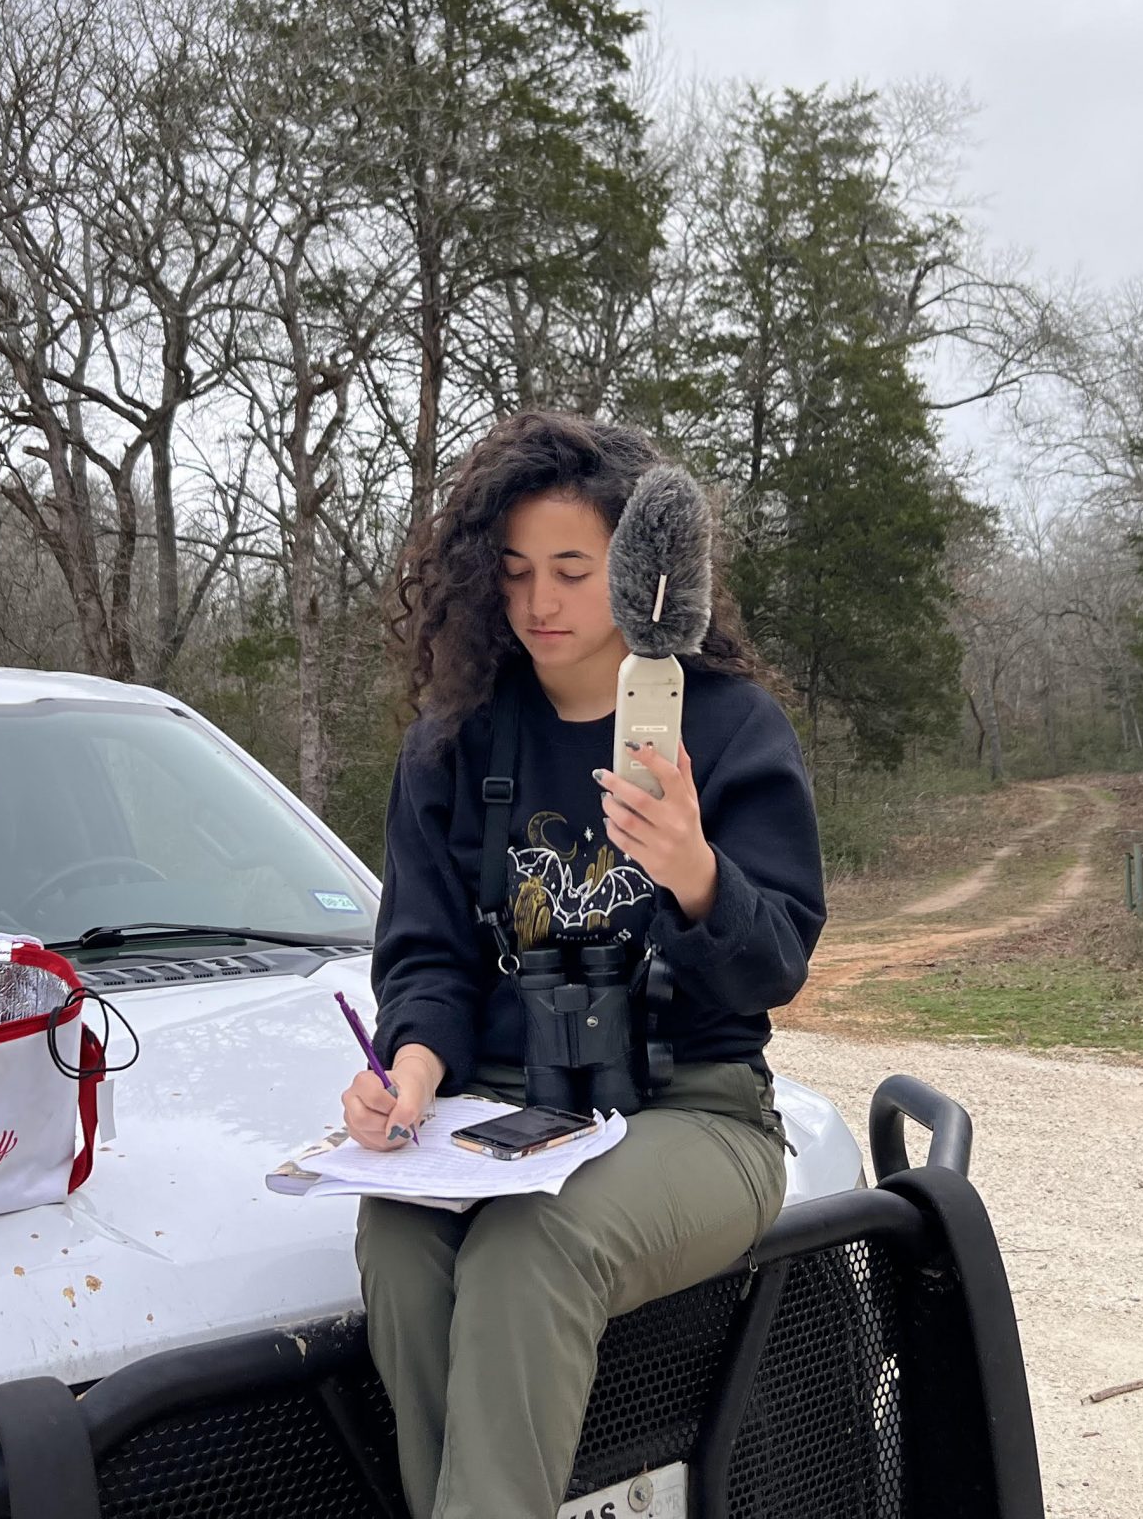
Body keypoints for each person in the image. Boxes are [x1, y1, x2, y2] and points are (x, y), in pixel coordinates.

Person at [345, 410, 826, 1518]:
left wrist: (699, 876)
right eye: (513, 573)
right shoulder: (453, 743)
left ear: (642, 572)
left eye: (572, 569)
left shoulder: (730, 728)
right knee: (400, 1234)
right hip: (503, 1115)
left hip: (697, 1116)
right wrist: (410, 1070)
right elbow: (424, 958)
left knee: (533, 1241)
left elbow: (775, 966)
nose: (540, 604)